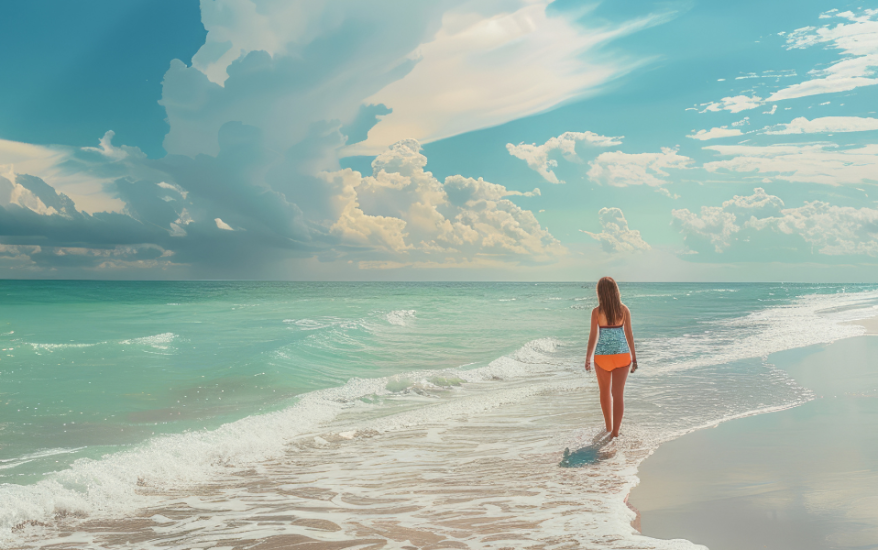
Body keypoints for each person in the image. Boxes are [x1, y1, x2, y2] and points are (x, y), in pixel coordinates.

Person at [584, 277, 637, 438]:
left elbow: (593, 336)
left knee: (605, 392)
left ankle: (608, 427)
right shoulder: (624, 310)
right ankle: (615, 433)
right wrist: (634, 358)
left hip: (603, 356)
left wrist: (588, 358)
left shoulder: (596, 312)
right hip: (622, 355)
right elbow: (629, 335)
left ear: (599, 292)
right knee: (618, 394)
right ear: (616, 291)